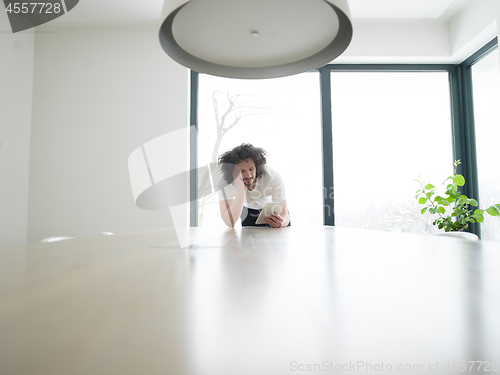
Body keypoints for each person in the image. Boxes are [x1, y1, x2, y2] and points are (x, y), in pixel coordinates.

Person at [218, 144, 290, 228]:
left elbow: (285, 215)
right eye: (242, 171)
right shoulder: (225, 183)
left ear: (256, 166)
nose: (248, 175)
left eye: (251, 169)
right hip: (248, 211)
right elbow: (229, 222)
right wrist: (242, 189)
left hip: (272, 213)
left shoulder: (272, 177)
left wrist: (281, 223)